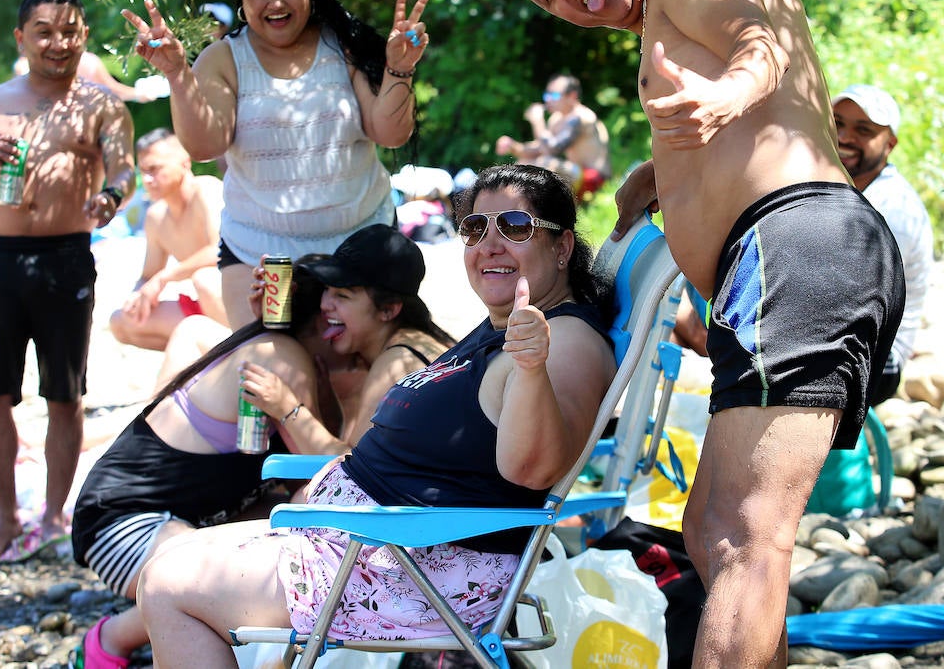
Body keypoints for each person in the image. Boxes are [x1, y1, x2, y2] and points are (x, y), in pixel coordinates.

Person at [494, 0, 904, 667]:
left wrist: (728, 93)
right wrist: (667, 178)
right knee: (713, 530)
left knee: (746, 530)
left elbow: (763, 43)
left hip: (798, 247)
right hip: (772, 262)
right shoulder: (662, 18)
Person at [136, 164, 616, 666]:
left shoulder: (565, 341)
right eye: (475, 228)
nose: (489, 243)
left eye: (514, 226)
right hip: (367, 542)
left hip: (411, 562)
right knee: (164, 565)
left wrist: (532, 366)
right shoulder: (506, 323)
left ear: (561, 247)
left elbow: (532, 471)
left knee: (169, 586)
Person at [68, 224, 453, 668]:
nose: (334, 313)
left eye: (343, 297)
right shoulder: (283, 358)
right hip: (128, 525)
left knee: (273, 550)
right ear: (321, 325)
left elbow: (339, 460)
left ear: (388, 310)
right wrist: (288, 403)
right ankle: (112, 640)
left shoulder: (379, 358)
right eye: (331, 301)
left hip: (152, 515)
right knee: (211, 579)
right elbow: (335, 468)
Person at [123, 0, 431, 328]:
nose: (276, 2)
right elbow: (204, 145)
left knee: (364, 375)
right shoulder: (223, 59)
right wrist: (177, 74)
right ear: (243, 1)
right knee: (277, 372)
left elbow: (391, 134)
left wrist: (400, 68)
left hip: (360, 251)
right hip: (261, 259)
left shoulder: (344, 45)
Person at [0, 0, 135, 565]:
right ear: (21, 37)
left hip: (66, 257)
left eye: (69, 31)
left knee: (65, 395)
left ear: (84, 37)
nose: (58, 42)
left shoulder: (101, 106)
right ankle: (3, 519)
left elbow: (124, 173)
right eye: (44, 31)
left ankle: (53, 513)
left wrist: (110, 199)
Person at [832, 83, 934, 404]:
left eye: (863, 130)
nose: (845, 137)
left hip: (878, 358)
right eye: (838, 123)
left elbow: (853, 303)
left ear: (889, 144)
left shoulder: (892, 208)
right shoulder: (836, 184)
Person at [108, 129, 229, 351]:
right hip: (202, 307)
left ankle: (237, 350)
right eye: (143, 171)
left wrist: (165, 278)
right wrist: (137, 296)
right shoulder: (156, 216)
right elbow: (149, 275)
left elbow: (219, 251)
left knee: (205, 279)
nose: (146, 180)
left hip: (233, 301)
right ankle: (209, 354)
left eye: (154, 170)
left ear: (184, 163)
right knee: (121, 321)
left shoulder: (208, 189)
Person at [495, 73, 611, 201]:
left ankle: (534, 207)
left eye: (554, 95)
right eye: (547, 95)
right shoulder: (556, 119)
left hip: (593, 179)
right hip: (577, 174)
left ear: (572, 96)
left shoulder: (581, 117)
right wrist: (512, 146)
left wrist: (538, 121)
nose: (548, 100)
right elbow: (539, 148)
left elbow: (550, 150)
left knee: (545, 163)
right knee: (522, 163)